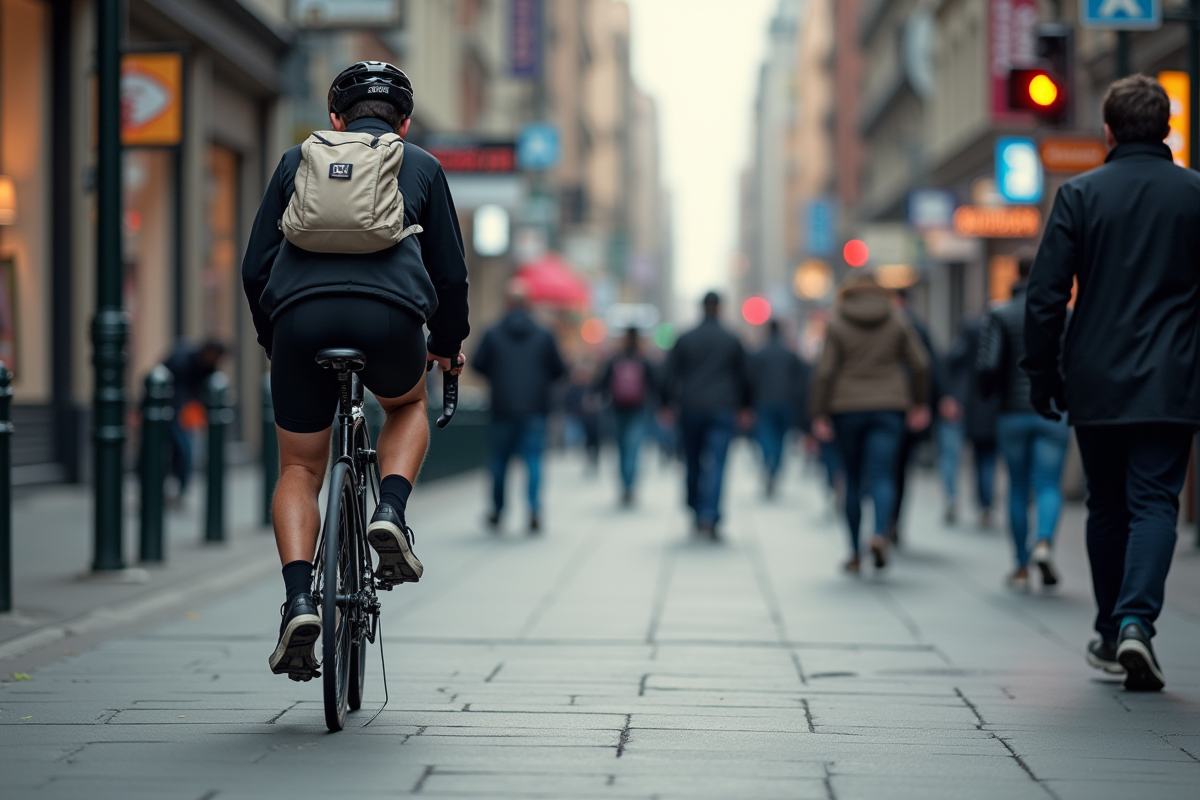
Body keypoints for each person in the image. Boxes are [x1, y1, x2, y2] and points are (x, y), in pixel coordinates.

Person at [241, 62, 469, 679]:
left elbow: (255, 265)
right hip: (391, 321)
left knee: (299, 465)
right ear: (406, 122)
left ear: (335, 120)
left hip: (299, 321)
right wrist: (446, 345)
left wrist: (275, 338)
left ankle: (297, 599)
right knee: (406, 404)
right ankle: (389, 513)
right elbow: (449, 275)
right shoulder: (419, 164)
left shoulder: (296, 162)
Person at [1024, 74, 1200, 692]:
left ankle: (1108, 630)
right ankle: (1135, 623)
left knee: (1107, 506)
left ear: (1107, 130)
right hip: (1174, 377)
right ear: (1167, 127)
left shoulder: (1079, 194)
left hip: (1097, 378)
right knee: (1156, 501)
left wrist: (1042, 374)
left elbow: (1046, 295)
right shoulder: (1194, 195)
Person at [810, 276, 930, 573]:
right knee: (882, 475)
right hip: (889, 407)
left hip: (846, 407)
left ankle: (853, 551)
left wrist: (819, 413)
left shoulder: (836, 323)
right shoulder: (897, 320)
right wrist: (919, 402)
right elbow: (921, 363)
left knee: (851, 478)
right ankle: (880, 533)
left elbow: (824, 372)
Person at [979, 250, 1069, 592]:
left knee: (1017, 488)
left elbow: (986, 365)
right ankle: (1043, 542)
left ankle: (1019, 564)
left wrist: (989, 396)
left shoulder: (998, 313)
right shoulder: (1065, 314)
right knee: (1048, 484)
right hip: (1054, 412)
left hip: (1012, 414)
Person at [473, 282, 566, 533]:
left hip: (502, 408)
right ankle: (534, 509)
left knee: (499, 461)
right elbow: (559, 369)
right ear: (528, 304)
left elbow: (477, 364)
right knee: (533, 460)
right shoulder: (544, 334)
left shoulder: (492, 333)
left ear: (506, 303)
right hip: (535, 408)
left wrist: (498, 376)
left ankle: (498, 510)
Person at [660, 292, 751, 540]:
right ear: (720, 308)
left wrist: (666, 404)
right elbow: (745, 376)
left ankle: (695, 507)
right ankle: (710, 515)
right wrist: (745, 406)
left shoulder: (685, 338)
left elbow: (669, 373)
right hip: (722, 408)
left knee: (692, 461)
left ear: (701, 308)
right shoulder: (731, 339)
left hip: (690, 408)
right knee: (718, 464)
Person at [888, 288, 938, 544]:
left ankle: (880, 523)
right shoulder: (918, 327)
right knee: (899, 471)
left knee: (878, 470)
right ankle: (891, 522)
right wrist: (922, 404)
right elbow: (927, 366)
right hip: (903, 409)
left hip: (873, 409)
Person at [942, 317, 1000, 528]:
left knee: (953, 455)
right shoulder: (998, 343)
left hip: (963, 407)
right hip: (992, 409)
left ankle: (952, 496)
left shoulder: (969, 334)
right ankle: (986, 506)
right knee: (987, 459)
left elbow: (947, 361)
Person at [596, 327, 658, 505]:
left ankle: (624, 485)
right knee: (634, 449)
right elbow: (655, 384)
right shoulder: (643, 360)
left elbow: (602, 383)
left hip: (617, 409)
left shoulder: (615, 359)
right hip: (638, 410)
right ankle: (630, 486)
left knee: (622, 449)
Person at [162, 338, 226, 502]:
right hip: (168, 409)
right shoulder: (182, 359)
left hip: (185, 413)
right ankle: (159, 489)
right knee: (170, 448)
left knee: (185, 448)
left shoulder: (209, 368)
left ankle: (180, 489)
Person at [749, 319, 805, 497]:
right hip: (785, 402)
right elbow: (800, 382)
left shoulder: (759, 354)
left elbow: (751, 380)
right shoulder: (790, 355)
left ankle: (769, 463)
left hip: (764, 401)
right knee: (781, 439)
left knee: (766, 436)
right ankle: (775, 468)